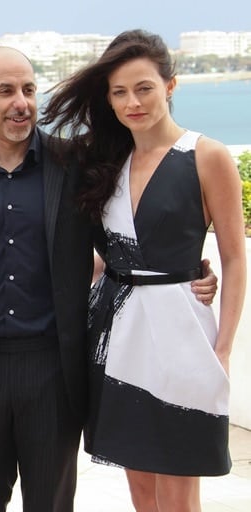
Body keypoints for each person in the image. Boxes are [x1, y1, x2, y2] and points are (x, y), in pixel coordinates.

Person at [0, 46, 219, 512]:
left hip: (54, 371)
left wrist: (190, 268)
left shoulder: (76, 166)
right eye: (5, 91)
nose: (21, 102)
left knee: (51, 503)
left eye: (28, 89)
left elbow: (129, 233)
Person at [41, 29, 246, 511]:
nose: (132, 102)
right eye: (119, 92)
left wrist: (222, 350)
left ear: (170, 86)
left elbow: (236, 258)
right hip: (116, 339)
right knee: (140, 489)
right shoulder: (103, 160)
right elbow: (105, 253)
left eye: (144, 88)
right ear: (108, 100)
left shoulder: (207, 156)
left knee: (177, 492)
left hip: (182, 336)